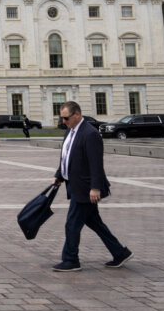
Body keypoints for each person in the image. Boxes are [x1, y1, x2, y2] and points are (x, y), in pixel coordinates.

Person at [51, 101, 132, 272]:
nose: (63, 122)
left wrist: (95, 188)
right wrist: (59, 175)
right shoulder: (70, 131)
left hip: (86, 188)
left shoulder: (90, 134)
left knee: (72, 224)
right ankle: (120, 252)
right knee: (95, 223)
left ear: (77, 115)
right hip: (74, 185)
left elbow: (96, 164)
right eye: (62, 118)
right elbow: (66, 157)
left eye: (66, 118)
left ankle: (71, 259)